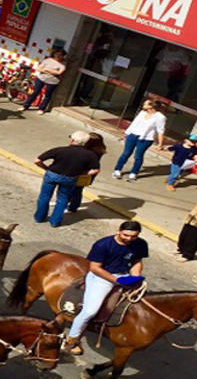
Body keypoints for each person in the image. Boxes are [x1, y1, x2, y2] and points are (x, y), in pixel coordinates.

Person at [62, 221, 148, 355]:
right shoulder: (103, 245)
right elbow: (95, 268)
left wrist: (135, 277)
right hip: (102, 277)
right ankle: (71, 340)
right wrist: (116, 280)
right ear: (118, 230)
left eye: (133, 236)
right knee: (90, 311)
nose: (129, 239)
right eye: (126, 235)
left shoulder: (140, 244)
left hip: (124, 275)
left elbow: (137, 261)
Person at [34, 131, 100, 227]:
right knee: (62, 199)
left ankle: (39, 217)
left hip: (52, 175)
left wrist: (46, 168)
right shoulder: (90, 155)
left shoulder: (60, 150)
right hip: (70, 178)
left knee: (44, 196)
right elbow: (95, 170)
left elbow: (37, 160)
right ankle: (55, 221)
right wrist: (83, 174)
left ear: (72, 140)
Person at [112, 99, 166, 182]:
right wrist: (127, 133)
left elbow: (160, 131)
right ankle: (117, 170)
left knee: (138, 156)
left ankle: (134, 173)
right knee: (126, 153)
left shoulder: (160, 117)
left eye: (146, 104)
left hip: (146, 138)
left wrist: (160, 144)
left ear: (151, 106)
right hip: (133, 135)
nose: (143, 105)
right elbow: (134, 123)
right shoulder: (142, 113)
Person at [67, 133, 107, 213]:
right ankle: (71, 205)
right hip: (89, 174)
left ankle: (72, 207)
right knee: (77, 190)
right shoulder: (99, 150)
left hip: (83, 172)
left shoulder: (89, 152)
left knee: (75, 190)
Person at [19, 49, 67, 115]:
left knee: (47, 95)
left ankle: (42, 109)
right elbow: (39, 68)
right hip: (41, 78)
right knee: (35, 92)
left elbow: (59, 72)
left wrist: (46, 70)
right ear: (53, 54)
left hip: (53, 81)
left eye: (60, 55)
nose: (58, 56)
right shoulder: (47, 60)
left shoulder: (63, 64)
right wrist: (52, 71)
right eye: (56, 54)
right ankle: (25, 106)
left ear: (63, 56)